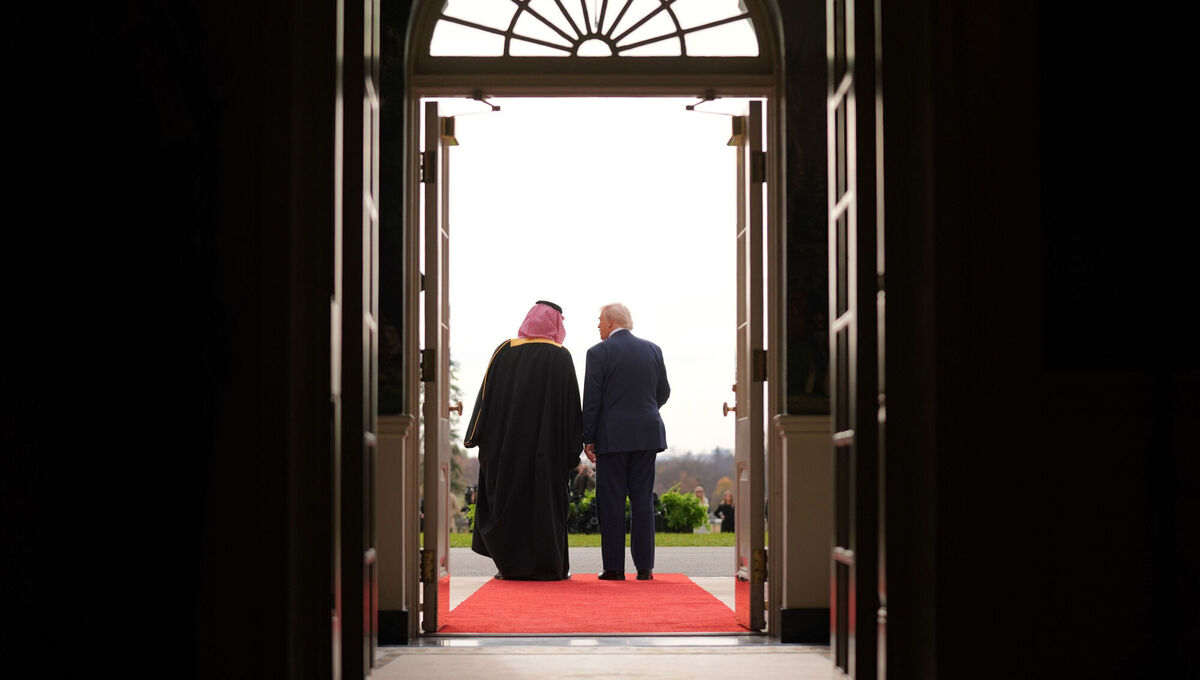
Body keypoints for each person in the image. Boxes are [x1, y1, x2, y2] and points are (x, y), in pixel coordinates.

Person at [464, 301, 583, 580]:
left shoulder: (504, 351)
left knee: (509, 504)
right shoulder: (561, 356)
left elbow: (484, 400)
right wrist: (571, 450)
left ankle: (510, 567)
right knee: (545, 507)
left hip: (505, 449)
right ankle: (550, 568)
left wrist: (475, 437)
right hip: (547, 452)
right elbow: (571, 410)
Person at [582, 303, 670, 581]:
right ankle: (645, 568)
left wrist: (588, 438)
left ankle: (614, 569)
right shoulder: (653, 350)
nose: (597, 326)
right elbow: (663, 392)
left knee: (611, 502)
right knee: (642, 499)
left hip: (612, 436)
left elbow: (592, 400)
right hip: (647, 434)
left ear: (610, 322)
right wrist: (642, 411)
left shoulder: (598, 353)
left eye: (599, 321)